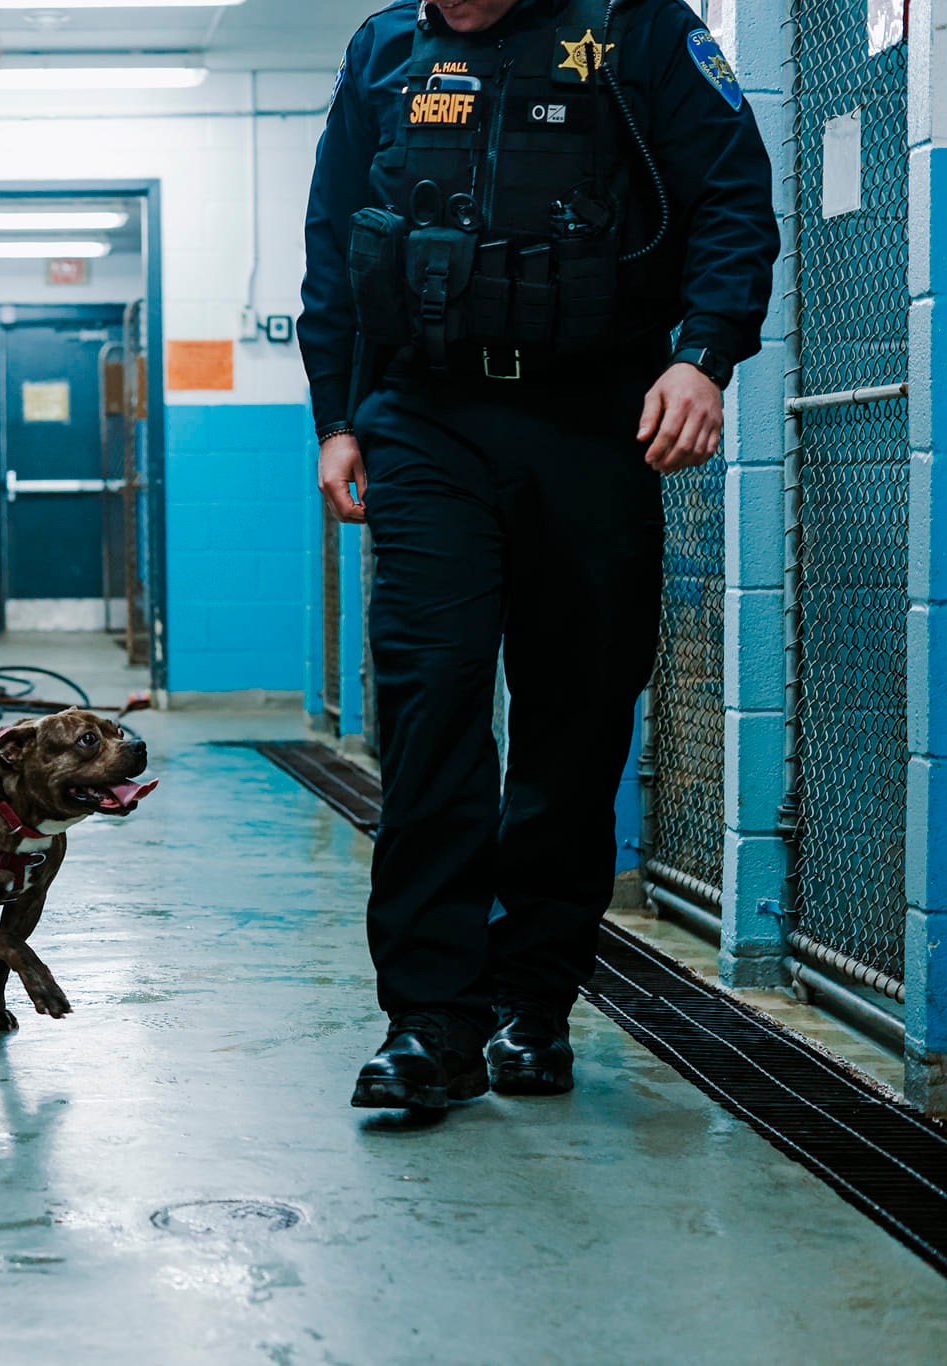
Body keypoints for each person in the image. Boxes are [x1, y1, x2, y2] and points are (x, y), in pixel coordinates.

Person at [298, 0, 777, 1109]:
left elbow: (731, 200)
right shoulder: (380, 50)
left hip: (590, 416)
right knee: (429, 704)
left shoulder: (635, 28)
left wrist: (702, 357)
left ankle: (533, 996)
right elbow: (331, 237)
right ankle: (429, 1022)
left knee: (575, 710)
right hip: (422, 421)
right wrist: (335, 416)